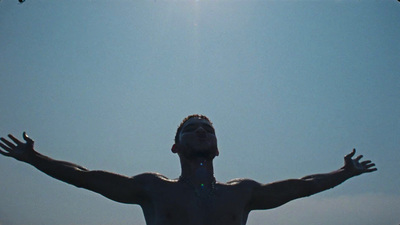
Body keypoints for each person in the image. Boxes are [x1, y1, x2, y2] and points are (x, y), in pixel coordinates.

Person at [0, 114, 377, 225]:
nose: (201, 131)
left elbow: (300, 186)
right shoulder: (152, 188)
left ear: (216, 146)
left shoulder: (241, 192)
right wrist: (35, 158)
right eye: (191, 129)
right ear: (175, 146)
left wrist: (343, 173)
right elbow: (84, 177)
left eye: (208, 129)